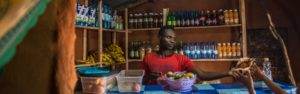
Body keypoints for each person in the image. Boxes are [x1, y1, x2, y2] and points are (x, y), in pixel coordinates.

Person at [141, 26, 240, 84]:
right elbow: (141, 80)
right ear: (159, 37)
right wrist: (150, 78)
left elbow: (202, 75)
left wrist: (228, 73)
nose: (172, 41)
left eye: (173, 38)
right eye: (168, 37)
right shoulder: (148, 58)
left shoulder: (181, 59)